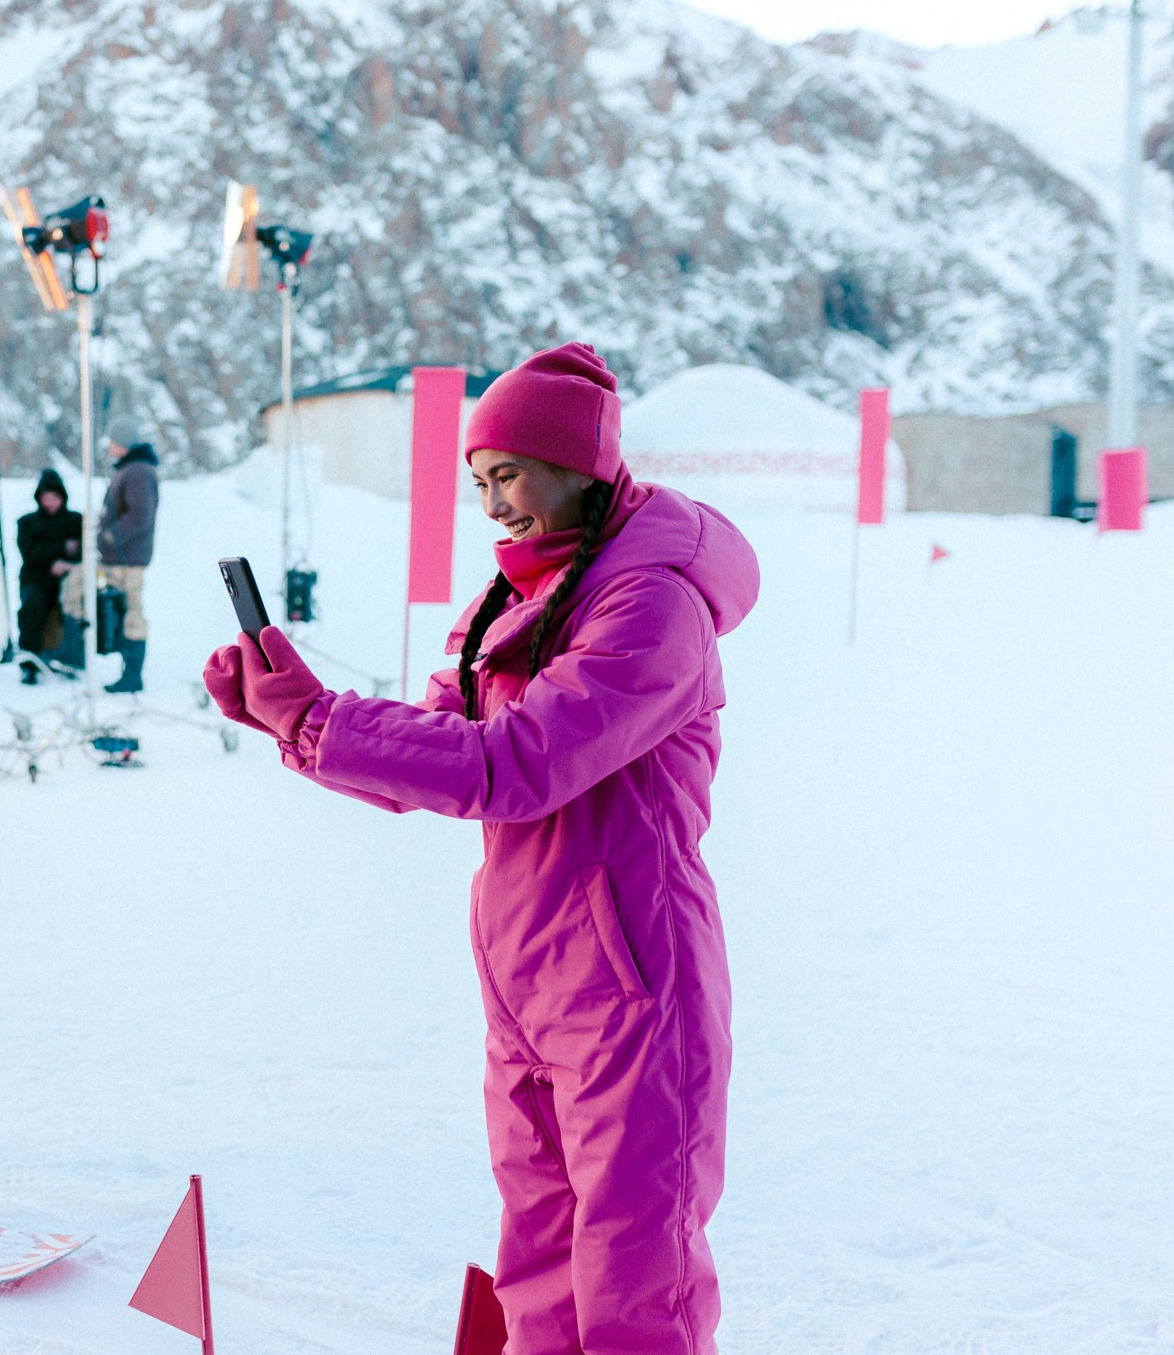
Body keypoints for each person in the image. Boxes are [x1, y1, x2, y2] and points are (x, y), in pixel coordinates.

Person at [203, 343, 758, 1354]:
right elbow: (436, 750)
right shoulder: (511, 599)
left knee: (637, 1277)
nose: (492, 503)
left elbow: (513, 764)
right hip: (525, 975)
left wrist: (322, 720)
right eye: (478, 482)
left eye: (508, 476)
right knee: (539, 1264)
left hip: (630, 977)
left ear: (575, 466)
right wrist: (288, 719)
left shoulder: (652, 604)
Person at [96, 414, 159, 693]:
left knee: (132, 614)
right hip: (123, 557)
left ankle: (133, 676)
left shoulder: (137, 472)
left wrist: (110, 537)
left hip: (128, 559)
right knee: (124, 612)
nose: (109, 446)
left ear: (122, 443)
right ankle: (129, 673)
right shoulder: (133, 469)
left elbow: (140, 515)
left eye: (113, 441)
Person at [14, 468, 82, 682]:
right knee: (32, 608)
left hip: (67, 581)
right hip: (36, 579)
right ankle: (30, 663)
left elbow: (82, 551)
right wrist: (62, 548)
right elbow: (29, 553)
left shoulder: (75, 520)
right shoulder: (27, 522)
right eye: (46, 498)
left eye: (55, 497)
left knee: (74, 609)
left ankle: (70, 659)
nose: (50, 502)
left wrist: (65, 563)